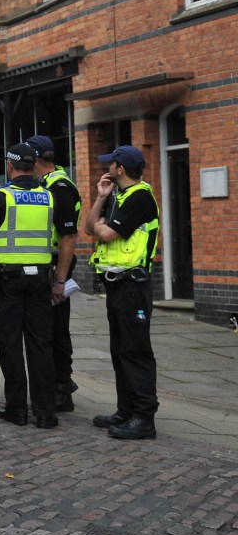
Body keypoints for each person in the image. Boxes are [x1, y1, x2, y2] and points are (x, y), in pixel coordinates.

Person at [0, 143, 61, 429]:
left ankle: (17, 408)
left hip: (8, 281)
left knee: (10, 344)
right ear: (33, 165)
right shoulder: (48, 196)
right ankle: (46, 413)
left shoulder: (0, 197)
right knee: (41, 345)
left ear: (9, 165)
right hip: (40, 281)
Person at [84, 145, 160, 440]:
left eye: (111, 164)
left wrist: (102, 226)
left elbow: (107, 234)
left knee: (136, 350)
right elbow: (91, 229)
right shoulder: (118, 196)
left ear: (121, 169)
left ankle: (144, 418)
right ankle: (125, 410)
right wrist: (101, 198)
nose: (107, 168)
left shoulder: (140, 196)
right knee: (120, 350)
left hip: (133, 287)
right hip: (117, 285)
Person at [28, 135, 82, 411]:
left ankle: (62, 388)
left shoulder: (59, 187)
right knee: (47, 329)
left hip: (55, 268)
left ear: (36, 159)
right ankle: (56, 383)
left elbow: (68, 237)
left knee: (56, 331)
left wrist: (60, 279)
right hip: (46, 266)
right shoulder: (45, 184)